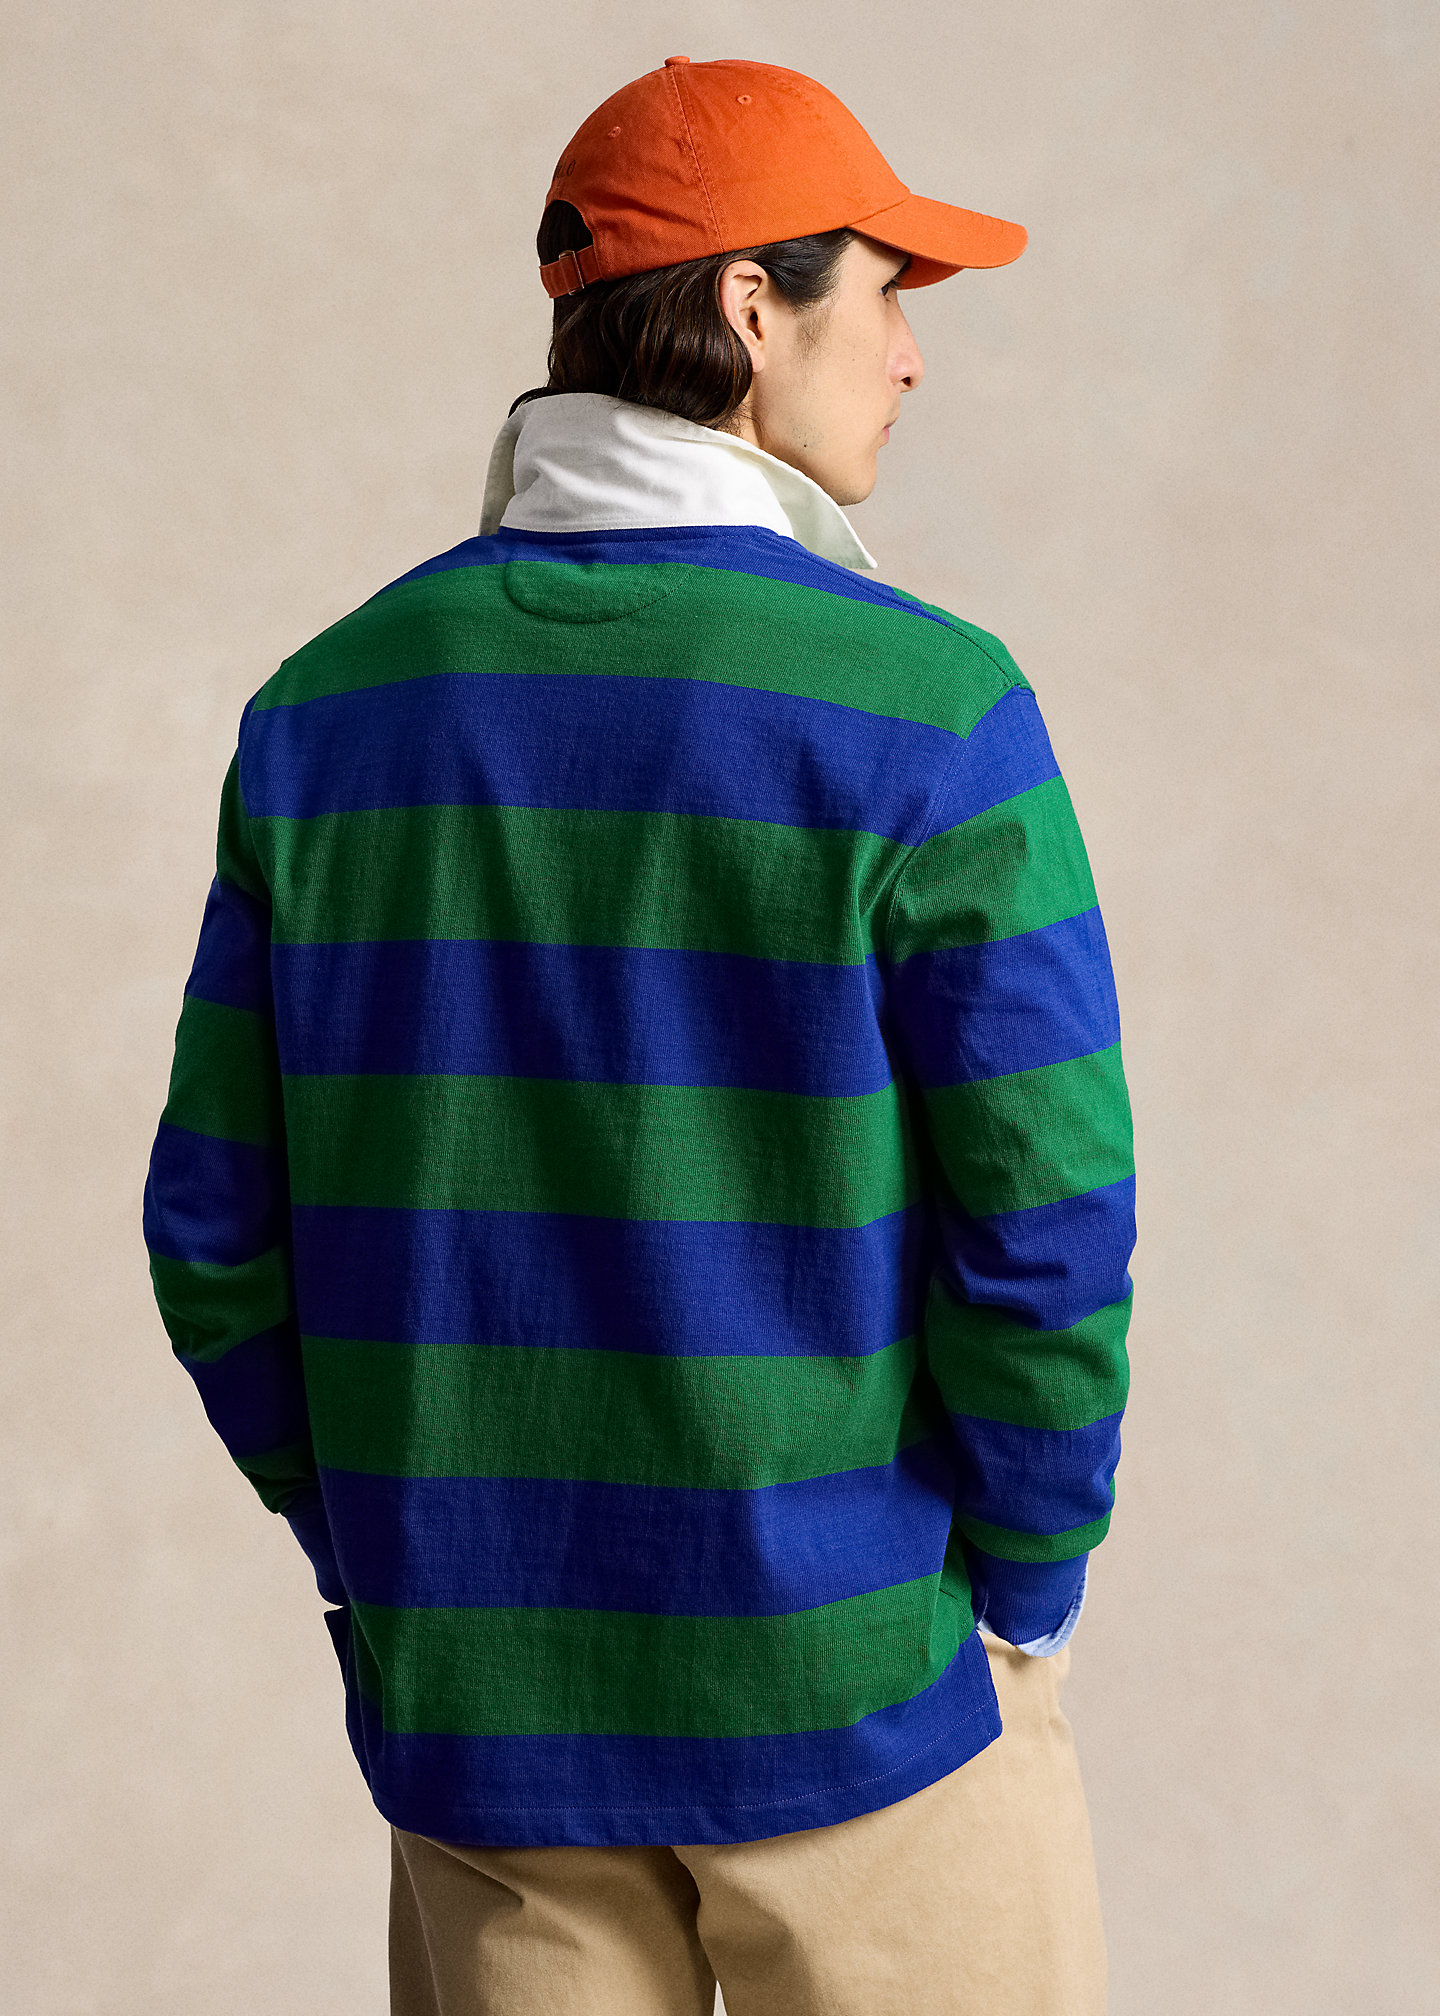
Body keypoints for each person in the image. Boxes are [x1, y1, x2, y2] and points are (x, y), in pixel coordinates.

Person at [143, 54, 1134, 2016]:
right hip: (867, 1708)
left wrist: (393, 1553)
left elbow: (213, 1234)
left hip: (487, 1732)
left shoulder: (324, 718)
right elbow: (1048, 1223)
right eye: (888, 293)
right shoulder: (930, 713)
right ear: (757, 308)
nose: (911, 357)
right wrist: (1025, 1582)